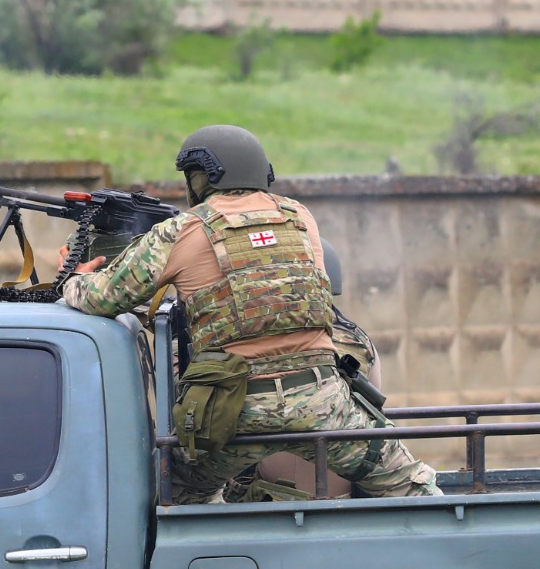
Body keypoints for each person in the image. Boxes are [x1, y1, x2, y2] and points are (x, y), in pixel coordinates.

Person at [58, 124, 440, 504]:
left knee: (175, 497)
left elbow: (102, 299)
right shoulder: (300, 217)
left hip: (234, 411)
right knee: (411, 484)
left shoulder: (180, 231)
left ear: (202, 177)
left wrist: (74, 278)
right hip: (322, 400)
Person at [243, 238, 384, 501]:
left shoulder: (258, 337)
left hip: (269, 487)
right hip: (343, 482)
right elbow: (375, 407)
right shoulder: (359, 339)